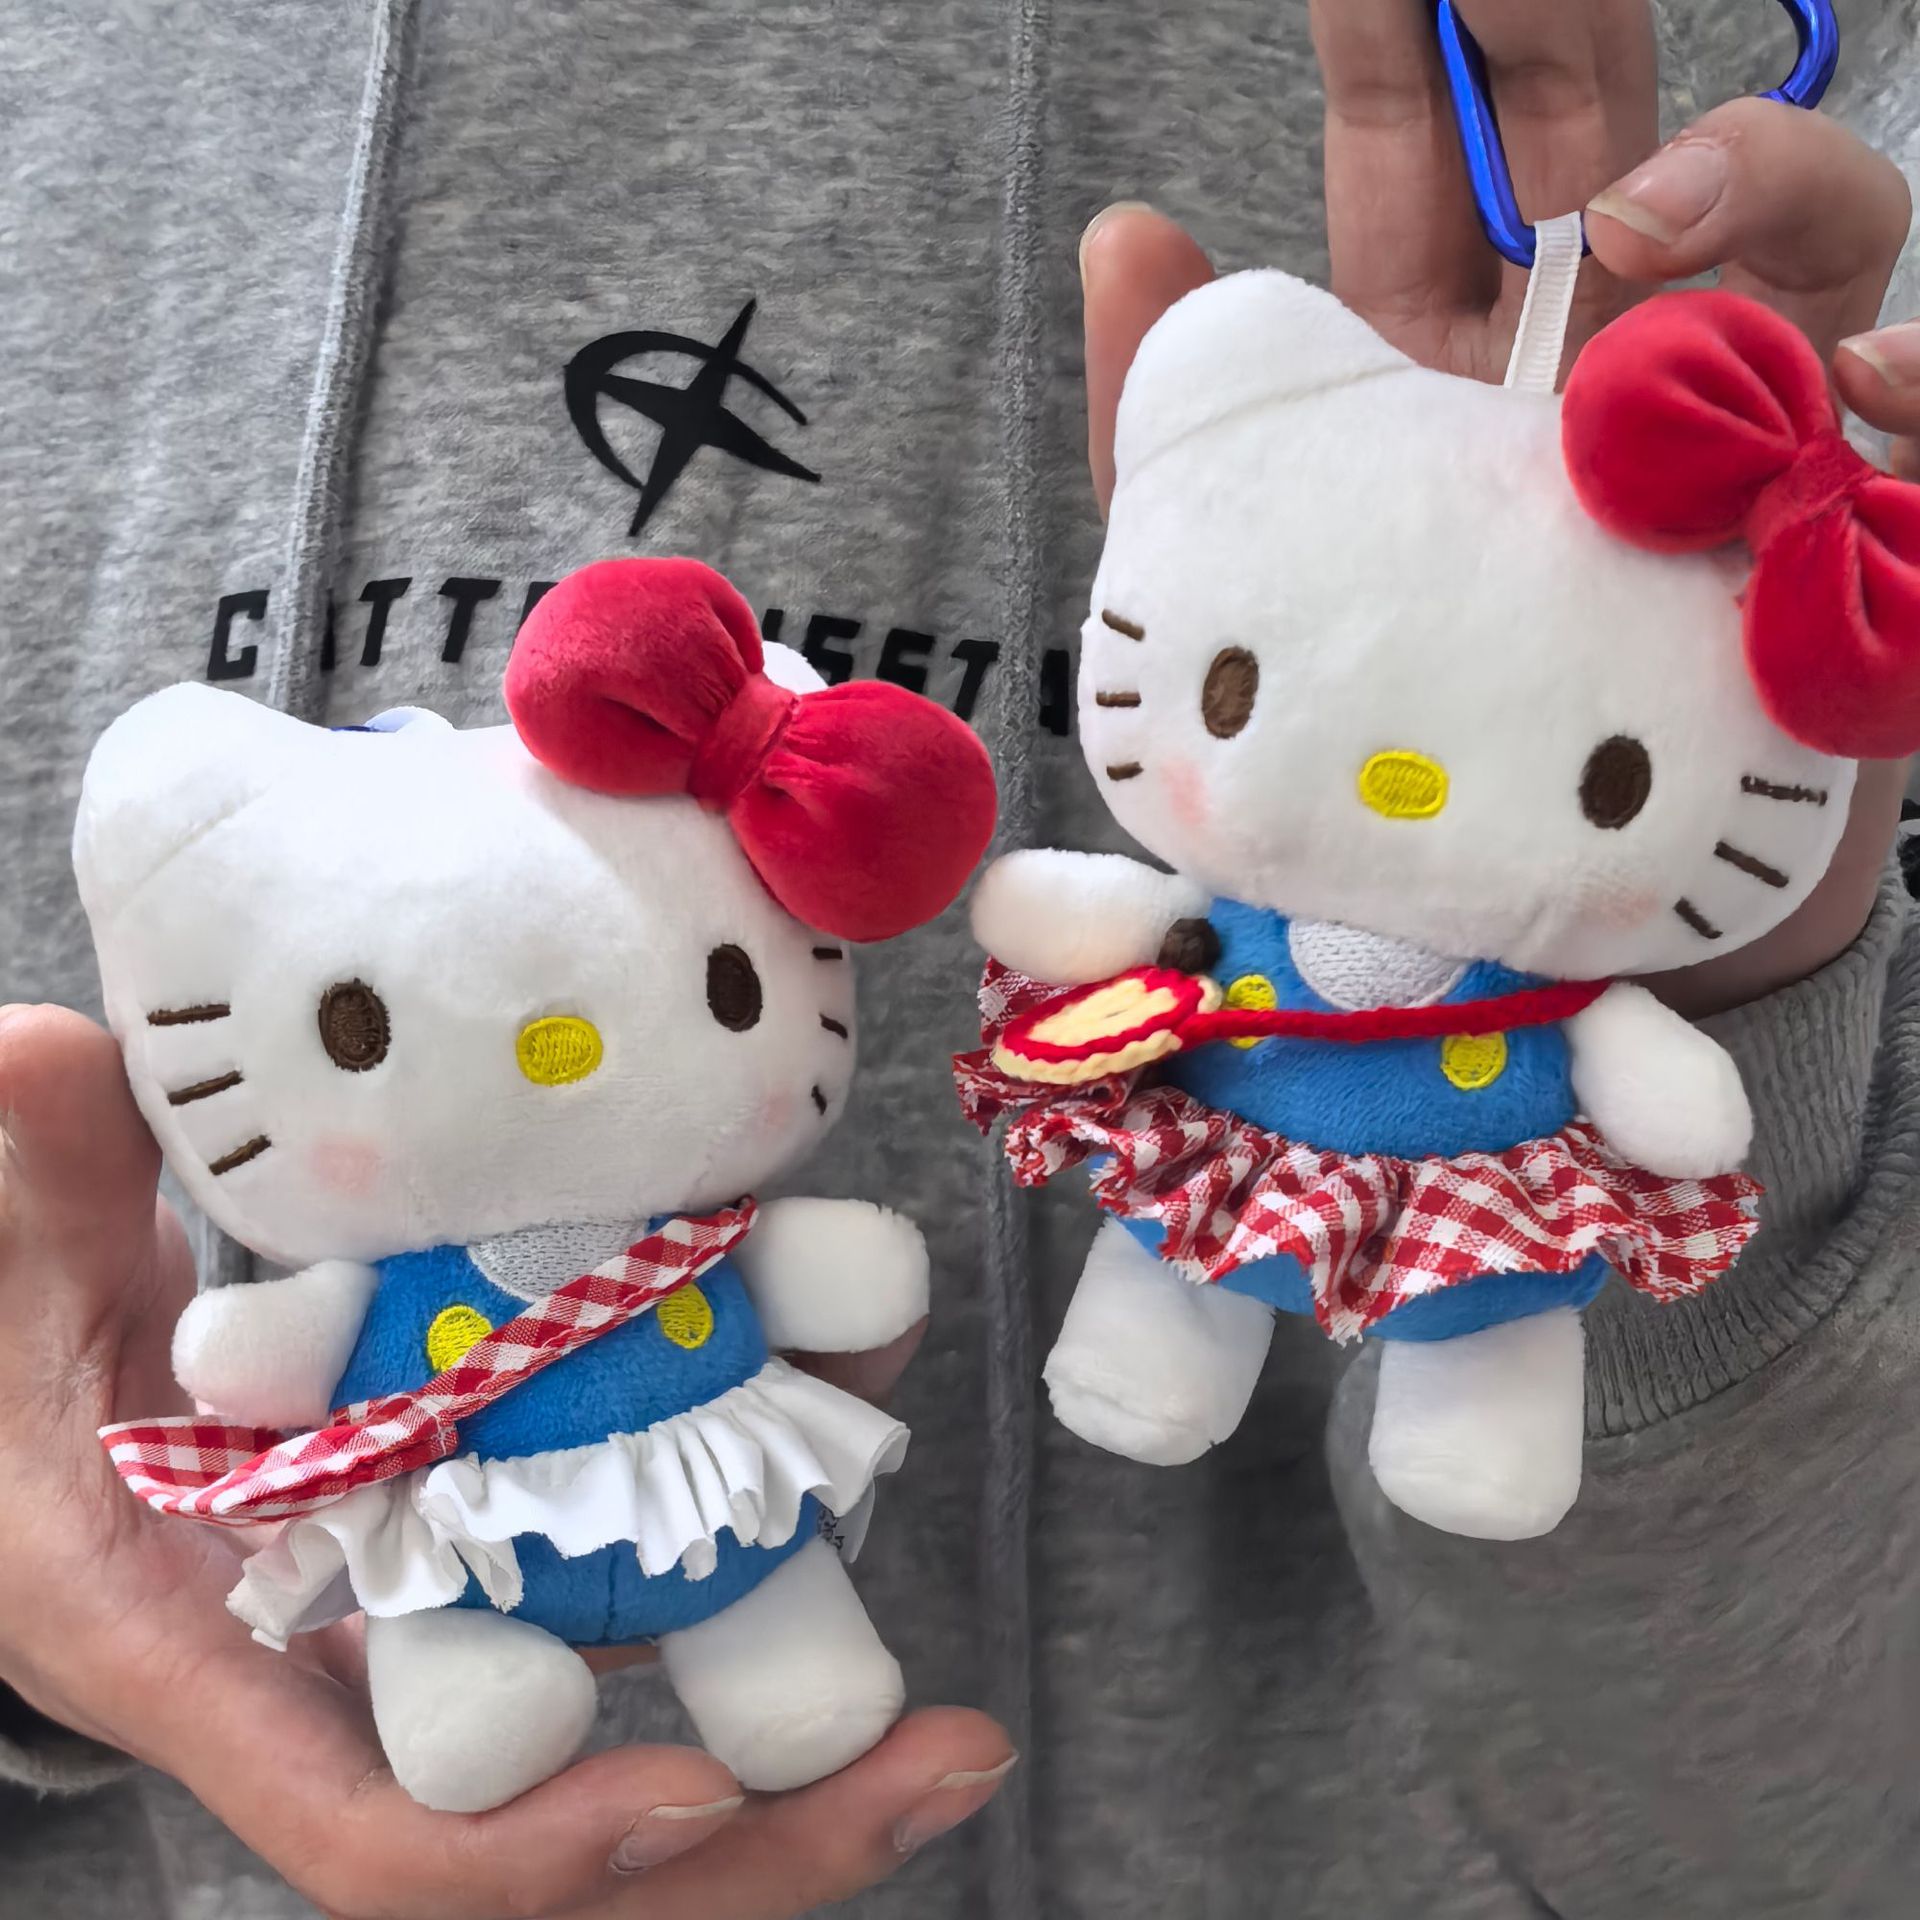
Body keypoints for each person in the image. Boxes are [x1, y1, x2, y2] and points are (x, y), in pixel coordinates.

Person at [1, 2, 1916, 1916]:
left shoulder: (1813, 210)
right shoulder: (60, 98)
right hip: (350, 1669)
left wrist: (1756, 1051)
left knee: (1354, 1344)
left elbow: (1803, 1819)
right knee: (1157, 1271)